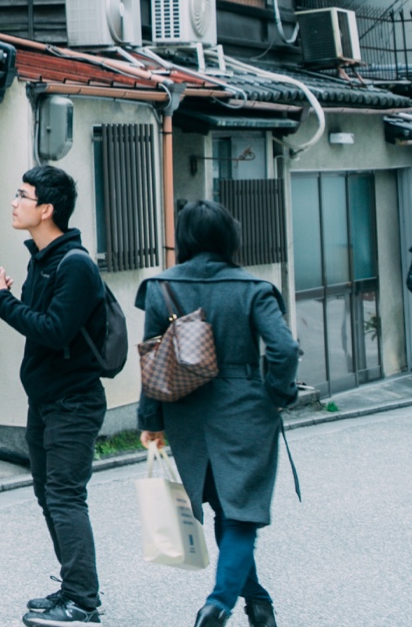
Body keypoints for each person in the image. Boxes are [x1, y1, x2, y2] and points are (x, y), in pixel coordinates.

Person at [137, 200, 299, 627]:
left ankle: (258, 603)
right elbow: (283, 349)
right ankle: (219, 604)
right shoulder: (252, 288)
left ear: (184, 238)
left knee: (224, 509)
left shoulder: (160, 287)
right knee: (241, 512)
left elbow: (152, 362)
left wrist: (150, 422)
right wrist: (277, 395)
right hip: (245, 411)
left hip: (186, 414)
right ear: (229, 236)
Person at [0, 165, 107, 626]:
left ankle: (83, 603)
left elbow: (55, 332)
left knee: (65, 496)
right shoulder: (43, 260)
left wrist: (1, 303)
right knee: (49, 494)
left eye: (23, 195)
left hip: (73, 401)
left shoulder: (74, 265)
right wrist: (12, 298)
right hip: (47, 399)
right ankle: (73, 588)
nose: (15, 202)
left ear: (47, 209)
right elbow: (42, 321)